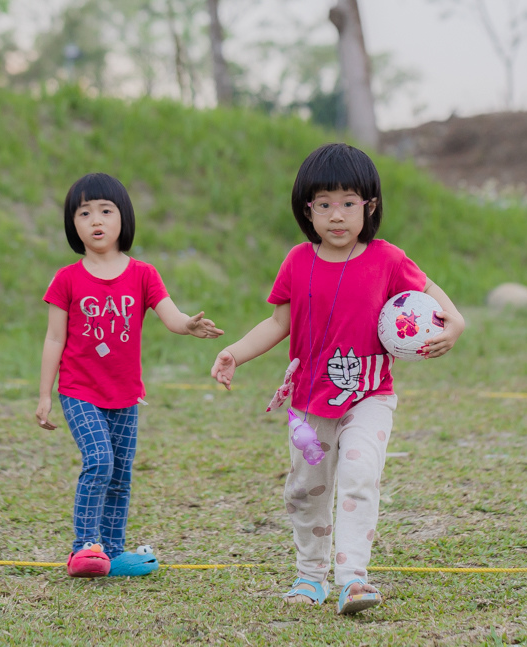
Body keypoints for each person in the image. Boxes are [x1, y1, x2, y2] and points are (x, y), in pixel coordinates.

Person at [210, 143, 464, 614]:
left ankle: (353, 580)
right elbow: (277, 324)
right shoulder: (297, 262)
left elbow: (429, 292)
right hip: (308, 405)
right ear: (307, 210)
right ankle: (310, 576)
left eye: (349, 203)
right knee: (306, 489)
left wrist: (456, 322)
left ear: (369, 206)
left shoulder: (388, 259)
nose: (337, 215)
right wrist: (233, 353)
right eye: (324, 204)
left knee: (359, 474)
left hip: (370, 396)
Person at [37, 172, 224, 578]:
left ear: (124, 218)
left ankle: (114, 552)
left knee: (121, 474)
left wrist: (188, 325)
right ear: (73, 224)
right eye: (84, 212)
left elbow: (170, 315)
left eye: (106, 210)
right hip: (78, 390)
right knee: (100, 461)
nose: (95, 219)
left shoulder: (143, 273)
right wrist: (44, 395)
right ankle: (84, 547)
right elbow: (54, 340)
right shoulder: (66, 280)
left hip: (124, 395)